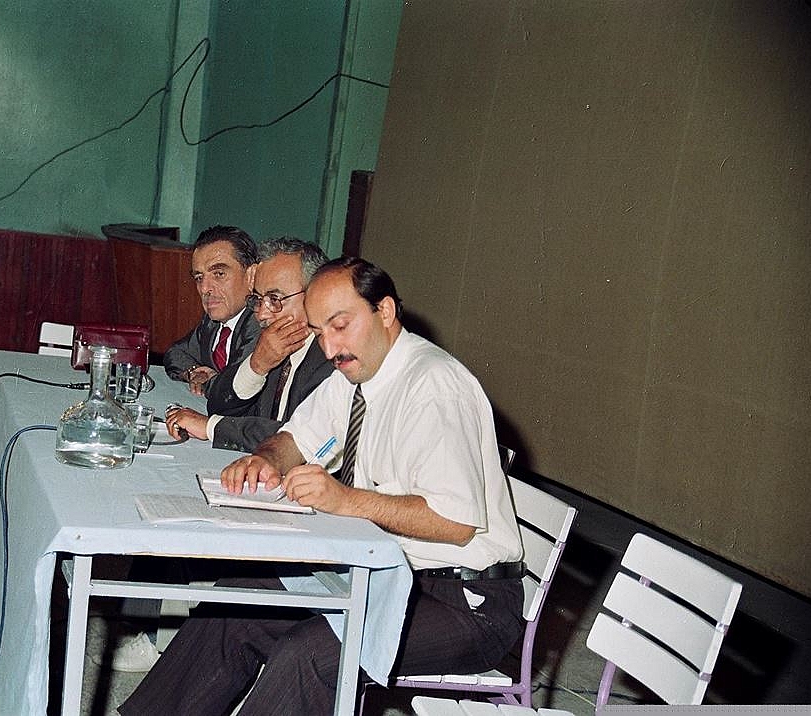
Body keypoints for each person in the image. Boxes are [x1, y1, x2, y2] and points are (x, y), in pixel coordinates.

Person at [119, 257, 526, 716]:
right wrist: (265, 459)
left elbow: (455, 523)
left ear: (385, 311)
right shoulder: (358, 372)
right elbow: (298, 437)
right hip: (383, 573)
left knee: (310, 653)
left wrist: (343, 499)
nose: (330, 348)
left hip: (463, 603)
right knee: (239, 602)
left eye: (340, 325)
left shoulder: (433, 387)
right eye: (319, 332)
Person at [163, 237, 333, 452]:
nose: (261, 314)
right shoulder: (277, 345)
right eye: (258, 300)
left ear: (316, 296)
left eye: (275, 299)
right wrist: (256, 366)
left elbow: (302, 439)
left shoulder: (331, 358)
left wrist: (211, 427)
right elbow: (221, 406)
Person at [162, 225, 261, 397]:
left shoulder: (258, 321)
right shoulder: (212, 322)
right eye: (199, 278)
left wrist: (210, 382)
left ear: (251, 275)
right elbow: (176, 354)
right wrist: (194, 372)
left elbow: (234, 388)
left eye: (219, 274)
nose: (204, 288)